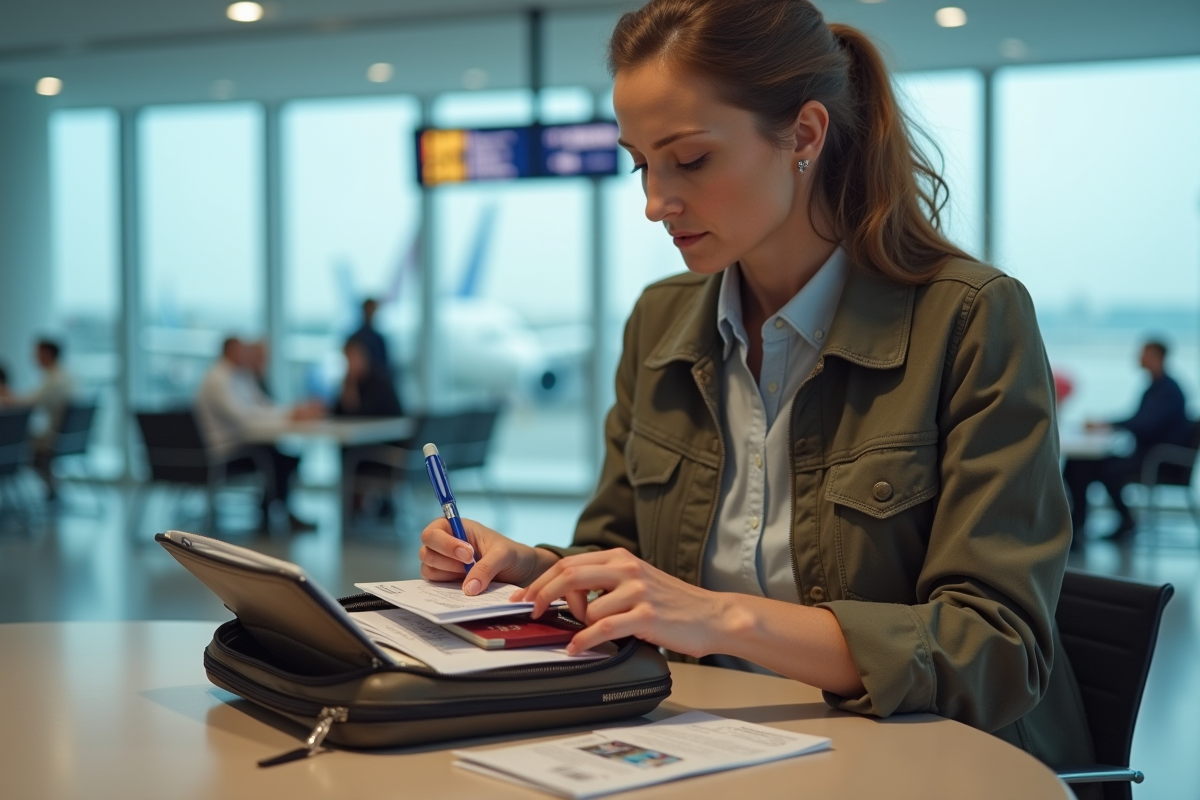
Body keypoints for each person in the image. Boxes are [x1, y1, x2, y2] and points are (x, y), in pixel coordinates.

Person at [417, 0, 1094, 778]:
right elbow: (622, 558)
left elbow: (996, 651)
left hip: (916, 764)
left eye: (691, 159)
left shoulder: (971, 319)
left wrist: (721, 618)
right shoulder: (661, 321)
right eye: (642, 163)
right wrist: (534, 570)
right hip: (707, 751)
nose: (654, 203)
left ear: (803, 135)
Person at [1063, 340, 1192, 540]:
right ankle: (1080, 526)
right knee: (1078, 464)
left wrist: (1108, 426)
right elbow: (1140, 421)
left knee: (1101, 469)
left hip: (1159, 461)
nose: (1139, 357)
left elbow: (1145, 424)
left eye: (1144, 353)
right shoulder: (1156, 388)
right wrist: (1108, 426)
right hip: (1147, 455)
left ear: (1157, 357)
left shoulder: (1168, 391)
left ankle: (1090, 527)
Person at [194, 337, 324, 531]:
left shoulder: (239, 376)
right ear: (230, 351)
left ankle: (274, 512)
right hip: (224, 451)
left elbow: (262, 405)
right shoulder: (218, 379)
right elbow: (243, 417)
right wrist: (290, 414)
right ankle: (277, 513)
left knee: (281, 456)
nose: (247, 356)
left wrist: (292, 412)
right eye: (243, 351)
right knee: (275, 457)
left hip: (241, 444)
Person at [0, 339, 76, 499]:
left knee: (14, 440)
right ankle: (51, 488)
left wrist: (5, 395)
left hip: (53, 439)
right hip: (65, 436)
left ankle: (50, 489)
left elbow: (27, 403)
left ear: (46, 354)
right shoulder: (65, 376)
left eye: (36, 353)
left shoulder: (55, 380)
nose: (33, 358)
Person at [334, 338, 402, 418]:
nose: (351, 363)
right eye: (348, 358)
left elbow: (363, 416)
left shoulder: (378, 381)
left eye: (353, 356)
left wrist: (351, 388)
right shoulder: (351, 381)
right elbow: (339, 414)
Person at [350, 298, 391, 377]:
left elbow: (384, 366)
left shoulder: (379, 340)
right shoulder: (355, 339)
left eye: (372, 311)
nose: (371, 314)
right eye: (368, 311)